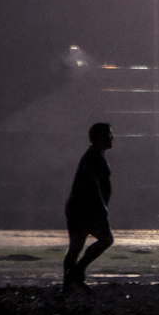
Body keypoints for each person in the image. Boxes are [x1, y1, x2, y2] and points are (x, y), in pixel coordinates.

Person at [62, 121, 114, 294]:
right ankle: (77, 273)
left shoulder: (91, 156)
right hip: (88, 209)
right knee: (106, 240)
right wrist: (102, 207)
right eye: (108, 135)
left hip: (78, 208)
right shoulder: (94, 159)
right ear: (100, 137)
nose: (112, 137)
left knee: (75, 246)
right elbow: (92, 185)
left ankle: (69, 283)